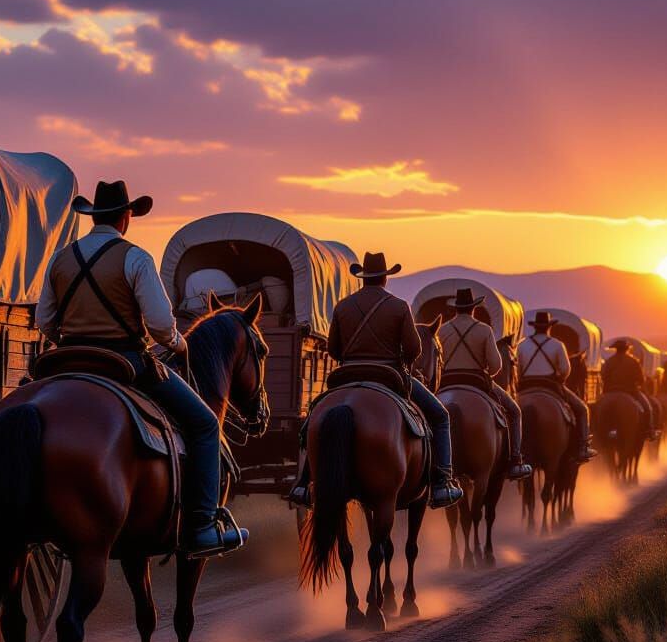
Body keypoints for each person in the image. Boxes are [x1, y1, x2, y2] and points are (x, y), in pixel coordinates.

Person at [35, 179, 246, 558]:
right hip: (124, 363)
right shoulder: (135, 258)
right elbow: (162, 325)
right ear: (126, 217)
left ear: (93, 216)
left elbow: (44, 321)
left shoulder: (60, 258)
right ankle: (200, 526)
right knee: (204, 425)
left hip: (64, 361)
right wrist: (179, 345)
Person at [288, 252, 463, 510]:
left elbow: (334, 349)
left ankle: (304, 481)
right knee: (439, 415)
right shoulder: (399, 306)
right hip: (388, 375)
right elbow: (414, 350)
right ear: (385, 278)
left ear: (362, 279)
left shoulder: (343, 306)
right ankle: (442, 482)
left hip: (346, 377)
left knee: (314, 418)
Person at [438, 287, 532, 480]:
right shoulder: (484, 330)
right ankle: (515, 460)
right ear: (474, 308)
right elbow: (496, 366)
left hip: (445, 383)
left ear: (455, 309)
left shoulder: (443, 330)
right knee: (514, 412)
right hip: (477, 381)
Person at [517, 311, 596, 462]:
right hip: (551, 385)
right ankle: (583, 447)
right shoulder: (557, 345)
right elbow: (566, 370)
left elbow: (518, 370)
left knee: (510, 413)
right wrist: (559, 379)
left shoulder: (522, 345)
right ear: (549, 327)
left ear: (534, 327)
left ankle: (509, 453)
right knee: (582, 409)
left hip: (525, 386)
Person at [601, 339, 661, 441]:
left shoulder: (609, 361)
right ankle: (649, 431)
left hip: (609, 392)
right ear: (627, 349)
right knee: (648, 408)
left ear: (616, 349)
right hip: (630, 391)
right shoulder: (633, 361)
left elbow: (603, 376)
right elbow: (640, 379)